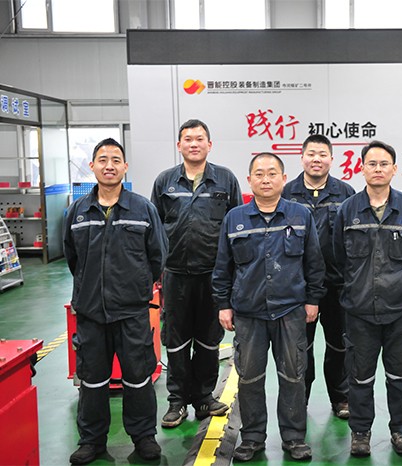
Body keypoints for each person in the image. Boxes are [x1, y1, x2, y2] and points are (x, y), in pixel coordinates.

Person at [213, 152, 326, 462]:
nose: (266, 179)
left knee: (293, 376)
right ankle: (252, 438)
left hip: (290, 310)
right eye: (259, 174)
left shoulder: (300, 215)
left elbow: (314, 262)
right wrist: (223, 304)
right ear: (249, 180)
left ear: (283, 178)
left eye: (272, 173)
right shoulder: (234, 218)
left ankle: (294, 438)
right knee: (249, 378)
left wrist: (313, 299)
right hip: (248, 313)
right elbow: (222, 266)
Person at [64, 138, 168, 465]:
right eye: (102, 159)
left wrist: (135, 287)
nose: (109, 165)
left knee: (138, 377)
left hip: (132, 311)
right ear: (92, 166)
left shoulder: (143, 209)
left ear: (125, 166)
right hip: (91, 313)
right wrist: (90, 288)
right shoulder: (77, 212)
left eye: (115, 160)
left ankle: (144, 437)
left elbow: (157, 255)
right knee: (92, 380)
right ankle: (91, 440)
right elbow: (72, 257)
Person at [333, 140, 402, 457]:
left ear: (394, 169)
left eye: (384, 163)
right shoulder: (348, 210)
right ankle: (360, 433)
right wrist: (357, 286)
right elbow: (338, 257)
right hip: (359, 310)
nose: (378, 169)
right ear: (362, 168)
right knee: (360, 377)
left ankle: (401, 431)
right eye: (372, 163)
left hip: (400, 308)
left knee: (400, 375)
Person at [151, 119, 242, 428]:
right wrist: (157, 270)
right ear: (179, 145)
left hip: (212, 274)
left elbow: (235, 226)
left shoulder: (225, 180)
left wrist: (232, 273)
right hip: (175, 274)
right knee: (176, 340)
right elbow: (155, 228)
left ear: (209, 144)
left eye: (199, 138)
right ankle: (177, 401)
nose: (194, 143)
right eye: (188, 139)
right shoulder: (165, 181)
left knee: (208, 338)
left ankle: (203, 397)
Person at [282, 134, 355, 418]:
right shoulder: (287, 193)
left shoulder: (346, 193)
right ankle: (300, 397)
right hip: (298, 286)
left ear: (331, 159)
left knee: (339, 344)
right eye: (311, 154)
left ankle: (341, 397)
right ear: (302, 158)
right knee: (300, 347)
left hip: (338, 285)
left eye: (322, 154)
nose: (316, 159)